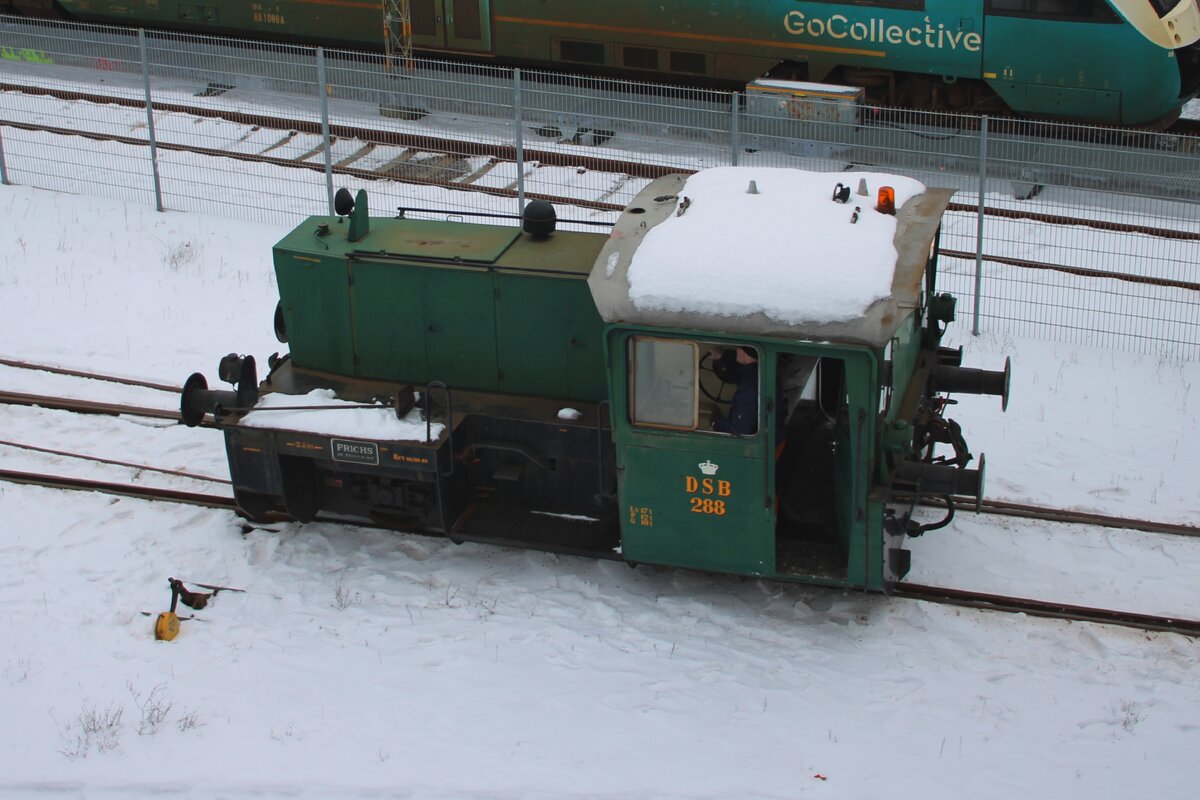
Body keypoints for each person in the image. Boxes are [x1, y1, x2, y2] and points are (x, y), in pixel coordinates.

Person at [712, 346, 758, 435]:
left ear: (747, 355)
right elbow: (733, 373)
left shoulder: (748, 388)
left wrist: (715, 424)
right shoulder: (752, 372)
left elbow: (740, 429)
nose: (737, 350)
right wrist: (721, 357)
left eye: (740, 348)